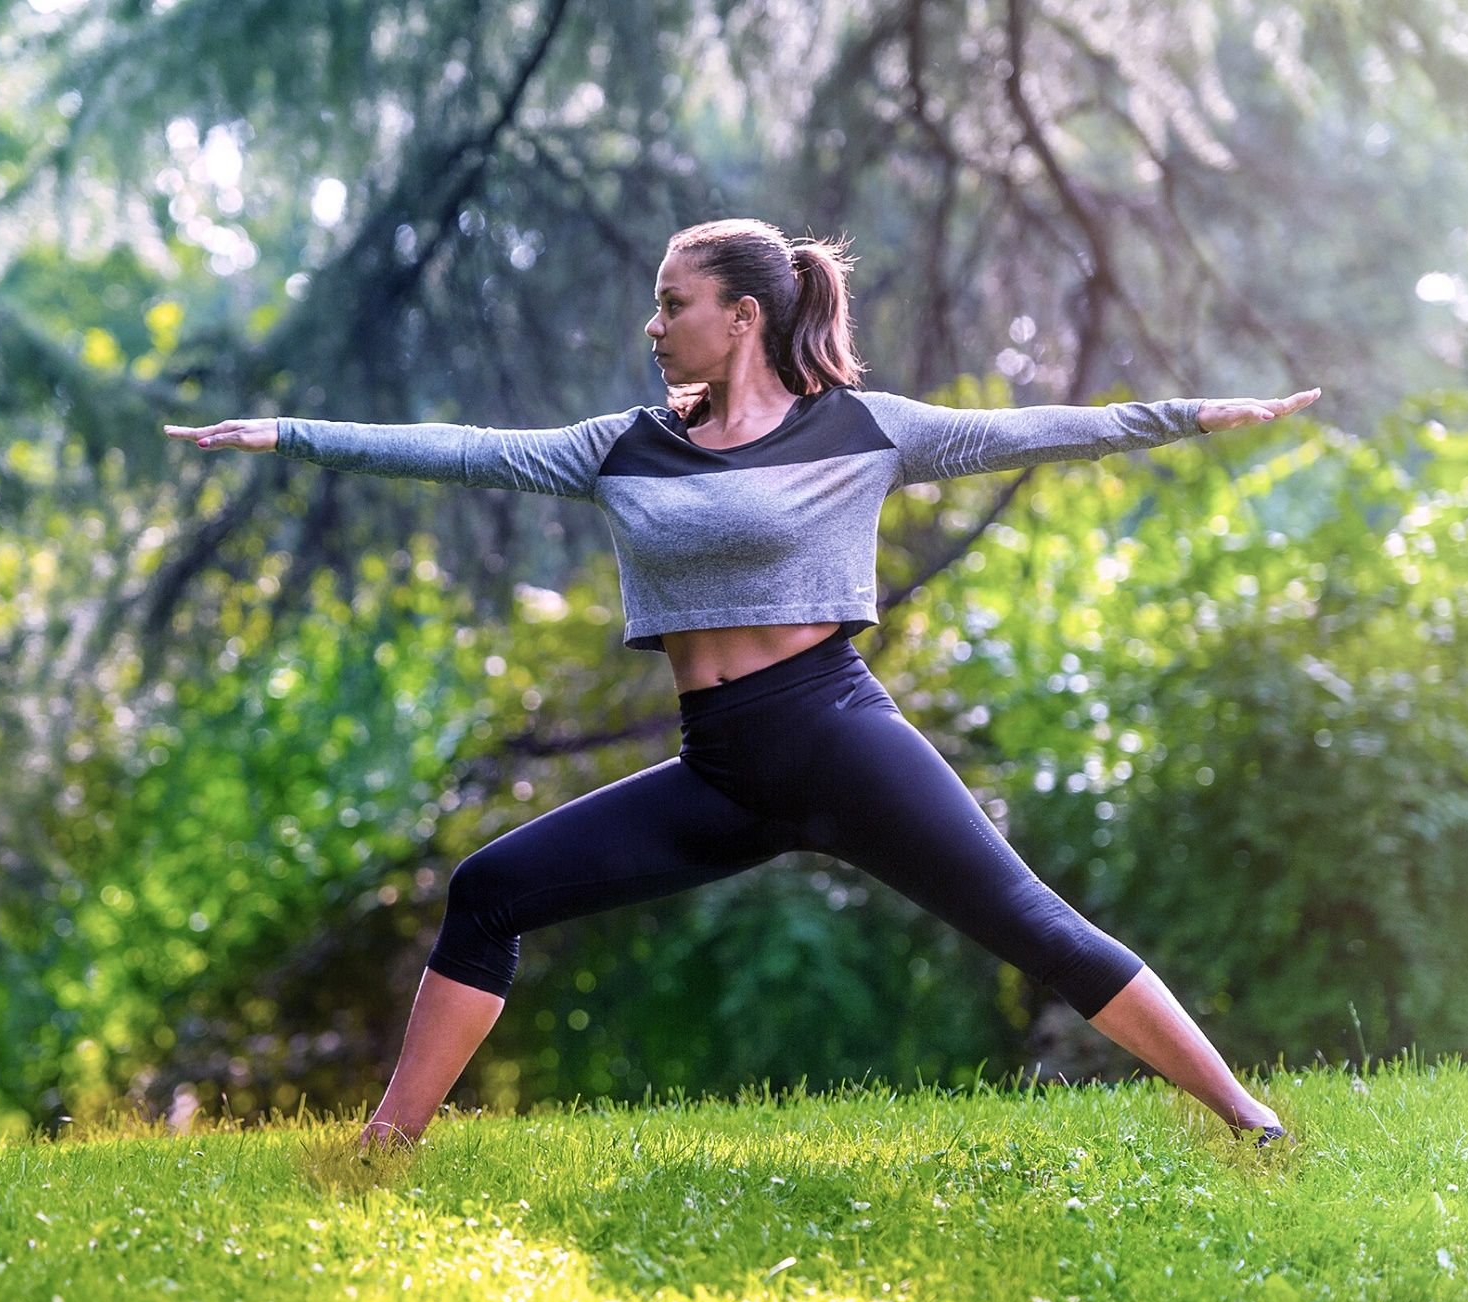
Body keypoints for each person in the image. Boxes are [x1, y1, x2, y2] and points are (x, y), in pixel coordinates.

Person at [163, 217, 1318, 1157]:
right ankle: (383, 1152)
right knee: (489, 890)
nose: (653, 324)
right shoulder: (624, 447)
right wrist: (288, 434)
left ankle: (1250, 1122)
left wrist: (1190, 416)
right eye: (658, 303)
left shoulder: (862, 429)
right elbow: (471, 448)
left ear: (743, 316)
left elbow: (1039, 429)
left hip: (836, 735)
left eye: (675, 303)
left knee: (1032, 926)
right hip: (718, 769)